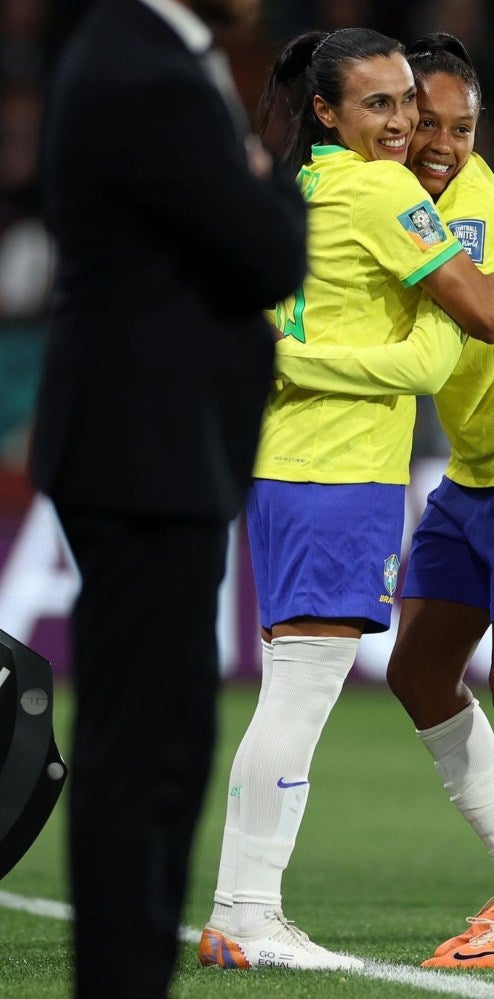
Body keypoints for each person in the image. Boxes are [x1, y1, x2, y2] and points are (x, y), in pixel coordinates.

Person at [198, 26, 494, 973]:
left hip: (283, 469)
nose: (404, 123)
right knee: (299, 696)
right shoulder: (378, 189)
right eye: (379, 104)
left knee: (289, 685)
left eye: (408, 101)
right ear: (327, 111)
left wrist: (288, 360)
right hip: (339, 475)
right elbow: (468, 326)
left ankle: (241, 908)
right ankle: (248, 911)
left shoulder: (306, 186)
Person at [271, 32, 494, 971]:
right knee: (420, 671)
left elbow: (484, 312)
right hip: (477, 469)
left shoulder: (463, 211)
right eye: (421, 121)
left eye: (462, 128)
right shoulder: (385, 198)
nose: (438, 144)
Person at [28, 1, 307, 996]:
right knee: (145, 749)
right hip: (146, 452)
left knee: (156, 741)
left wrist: (254, 178)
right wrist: (270, 182)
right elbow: (271, 257)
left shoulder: (128, 56)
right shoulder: (147, 73)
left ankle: (129, 975)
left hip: (148, 449)